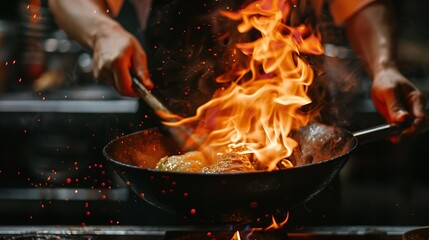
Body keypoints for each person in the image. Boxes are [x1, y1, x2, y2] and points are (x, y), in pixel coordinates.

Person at [47, 0, 427, 140]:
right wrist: (103, 32)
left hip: (296, 157)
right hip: (171, 157)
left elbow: (361, 4)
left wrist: (384, 66)